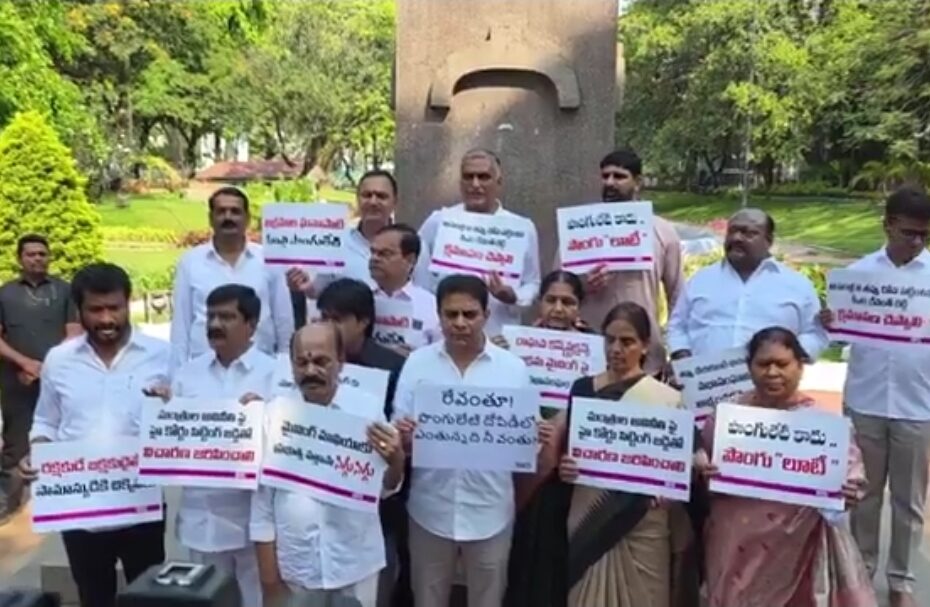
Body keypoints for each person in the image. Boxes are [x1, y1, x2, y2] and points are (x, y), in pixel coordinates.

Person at [694, 327, 875, 607]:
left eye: (782, 364)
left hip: (797, 544)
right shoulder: (726, 417)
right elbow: (704, 463)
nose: (773, 373)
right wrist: (703, 469)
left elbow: (852, 472)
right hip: (735, 543)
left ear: (800, 367)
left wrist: (849, 489)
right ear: (749, 367)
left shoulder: (820, 424)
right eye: (764, 364)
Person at [22, 263, 169, 607]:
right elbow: (45, 421)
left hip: (140, 504)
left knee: (151, 598)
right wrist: (38, 452)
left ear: (128, 303)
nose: (106, 319)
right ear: (80, 310)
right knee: (93, 597)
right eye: (96, 309)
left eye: (114, 308)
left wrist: (172, 405)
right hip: (80, 509)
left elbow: (182, 420)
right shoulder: (59, 360)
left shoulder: (163, 355)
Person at [393, 274, 534, 607]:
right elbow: (397, 429)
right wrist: (405, 436)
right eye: (450, 314)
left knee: (488, 600)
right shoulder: (417, 363)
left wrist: (533, 435)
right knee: (427, 599)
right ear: (439, 316)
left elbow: (526, 442)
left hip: (491, 509)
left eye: (469, 315)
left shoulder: (513, 369)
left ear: (486, 315)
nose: (459, 323)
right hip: (430, 507)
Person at [820, 186, 930, 607]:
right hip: (865, 402)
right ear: (887, 225)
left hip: (917, 406)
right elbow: (836, 331)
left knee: (909, 501)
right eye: (908, 232)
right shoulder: (858, 276)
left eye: (924, 235)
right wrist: (830, 319)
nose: (916, 242)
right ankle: (861, 573)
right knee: (863, 497)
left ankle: (901, 581)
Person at [250, 323, 405, 607]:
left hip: (355, 564)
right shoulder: (273, 416)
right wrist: (270, 583)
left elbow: (385, 489)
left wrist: (396, 460)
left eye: (321, 361)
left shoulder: (367, 410)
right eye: (302, 362)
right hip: (296, 568)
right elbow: (261, 509)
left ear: (341, 362)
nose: (311, 371)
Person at [550, 302, 692, 607]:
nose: (616, 349)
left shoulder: (666, 398)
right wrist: (565, 467)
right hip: (590, 513)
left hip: (643, 519)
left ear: (644, 346)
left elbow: (679, 465)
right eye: (610, 340)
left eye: (626, 342)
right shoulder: (583, 389)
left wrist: (671, 490)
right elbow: (570, 451)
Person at [150, 285, 276, 607]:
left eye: (227, 316)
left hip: (252, 521)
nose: (215, 324)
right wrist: (162, 412)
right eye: (211, 316)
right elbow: (174, 440)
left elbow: (286, 443)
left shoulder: (276, 374)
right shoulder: (186, 375)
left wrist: (268, 416)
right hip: (201, 519)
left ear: (251, 324)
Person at [308, 277, 411, 607]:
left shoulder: (393, 367)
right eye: (323, 317)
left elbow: (397, 427)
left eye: (337, 319)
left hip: (373, 503)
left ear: (363, 322)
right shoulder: (303, 365)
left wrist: (398, 438)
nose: (328, 326)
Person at [503, 270, 593, 607]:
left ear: (579, 307)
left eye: (568, 302)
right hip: (521, 466)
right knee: (522, 552)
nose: (558, 308)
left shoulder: (595, 351)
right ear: (540, 303)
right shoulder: (514, 347)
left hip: (566, 472)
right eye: (551, 300)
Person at [555, 149, 683, 375]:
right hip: (587, 350)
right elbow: (555, 286)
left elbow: (678, 298)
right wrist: (583, 286)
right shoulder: (578, 228)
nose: (610, 183)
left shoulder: (662, 231)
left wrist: (678, 350)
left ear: (638, 182)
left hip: (644, 354)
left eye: (619, 176)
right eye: (605, 176)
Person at [667, 208, 829, 362]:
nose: (737, 238)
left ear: (769, 241)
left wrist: (788, 359)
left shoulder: (797, 285)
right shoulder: (701, 280)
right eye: (732, 231)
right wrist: (683, 358)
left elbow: (814, 333)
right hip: (705, 385)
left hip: (771, 386)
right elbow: (677, 326)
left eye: (748, 233)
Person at [412, 149, 541, 337]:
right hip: (444, 335)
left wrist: (514, 296)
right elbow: (420, 280)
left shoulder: (521, 228)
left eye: (483, 177)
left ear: (499, 183)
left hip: (498, 335)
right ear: (460, 182)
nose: (475, 184)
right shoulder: (438, 222)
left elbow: (532, 282)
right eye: (468, 177)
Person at [0, 234, 81, 519]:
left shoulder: (65, 291)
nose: (37, 258)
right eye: (31, 254)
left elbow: (74, 332)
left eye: (42, 254)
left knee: (60, 443)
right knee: (16, 448)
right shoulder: (5, 293)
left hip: (58, 383)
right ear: (19, 258)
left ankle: (57, 510)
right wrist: (24, 363)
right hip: (16, 385)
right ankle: (13, 516)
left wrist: (48, 368)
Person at [170, 186, 293, 370]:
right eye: (221, 211)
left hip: (259, 368)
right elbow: (181, 324)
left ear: (247, 219)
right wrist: (177, 374)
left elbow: (283, 319)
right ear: (211, 219)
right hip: (205, 368)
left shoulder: (269, 259)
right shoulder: (190, 262)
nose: (228, 217)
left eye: (235, 211)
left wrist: (285, 367)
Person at [287, 169, 399, 300]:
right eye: (367, 195)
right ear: (357, 199)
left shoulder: (412, 245)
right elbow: (319, 292)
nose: (373, 202)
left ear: (395, 202)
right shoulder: (336, 243)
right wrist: (305, 286)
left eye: (381, 196)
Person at [370, 223, 441, 352]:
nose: (374, 258)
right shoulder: (359, 299)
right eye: (373, 252)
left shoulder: (431, 306)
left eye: (385, 254)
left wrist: (417, 358)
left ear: (410, 260)